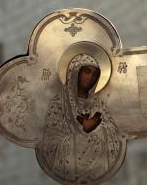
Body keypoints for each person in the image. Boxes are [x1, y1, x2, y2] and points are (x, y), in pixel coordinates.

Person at [36, 54, 122, 183]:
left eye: (95, 74)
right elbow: (50, 144)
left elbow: (114, 138)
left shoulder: (99, 106)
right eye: (87, 71)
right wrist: (82, 134)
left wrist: (96, 129)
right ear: (75, 72)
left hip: (98, 171)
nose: (91, 77)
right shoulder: (59, 104)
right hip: (69, 171)